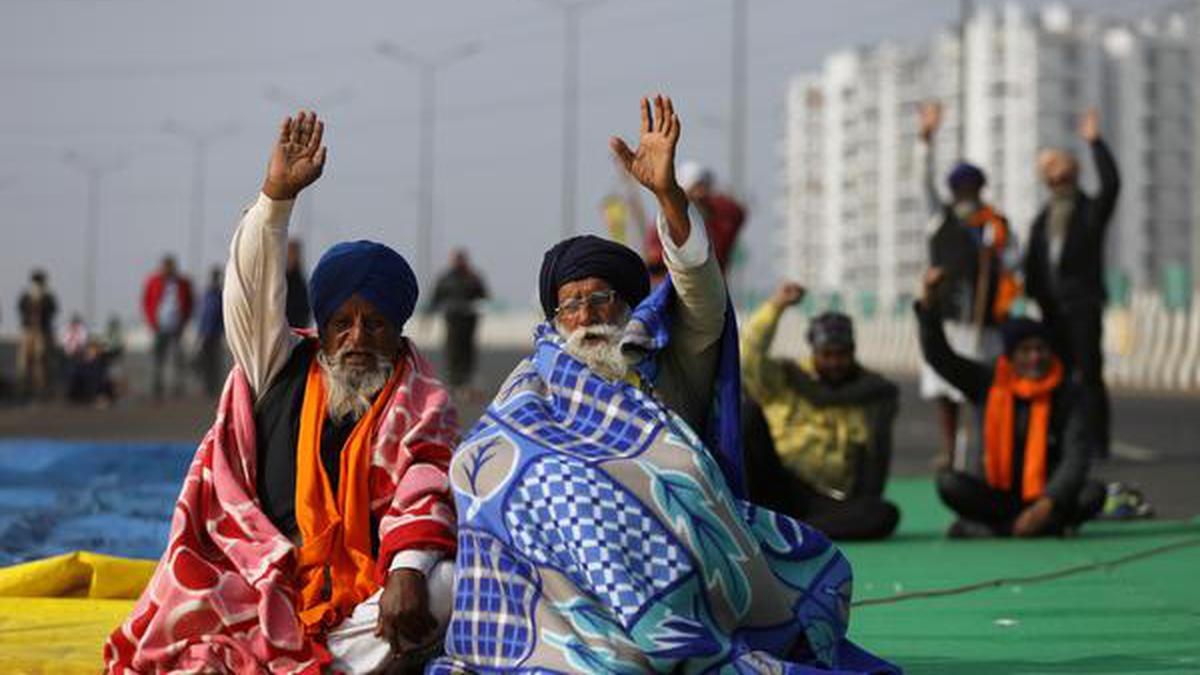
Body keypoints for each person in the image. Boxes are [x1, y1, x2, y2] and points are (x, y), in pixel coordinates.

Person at [431, 96, 895, 674]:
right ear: (553, 318)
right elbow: (494, 457)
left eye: (601, 298)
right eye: (570, 304)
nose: (586, 315)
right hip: (565, 576)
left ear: (630, 306)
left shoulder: (665, 359)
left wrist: (668, 197)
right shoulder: (536, 381)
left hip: (684, 555)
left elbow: (701, 292)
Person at [106, 111, 460, 674]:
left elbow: (426, 486)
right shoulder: (279, 363)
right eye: (342, 322)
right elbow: (248, 295)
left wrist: (406, 571)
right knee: (203, 632)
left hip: (365, 598)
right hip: (258, 580)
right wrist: (276, 201)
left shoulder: (423, 402)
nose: (357, 338)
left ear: (398, 329)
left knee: (447, 587)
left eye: (374, 324)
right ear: (321, 325)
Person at [916, 268, 1105, 538]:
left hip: (1044, 494)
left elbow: (1075, 458)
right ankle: (1024, 528)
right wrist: (929, 303)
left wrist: (1045, 504)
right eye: (1025, 351)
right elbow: (939, 356)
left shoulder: (1067, 392)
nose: (1035, 358)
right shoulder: (987, 380)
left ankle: (994, 529)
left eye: (1041, 349)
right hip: (995, 494)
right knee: (949, 484)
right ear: (1011, 356)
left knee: (1093, 494)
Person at [741, 281, 900, 541]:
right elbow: (748, 355)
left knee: (883, 514)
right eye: (827, 354)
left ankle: (790, 530)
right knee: (747, 414)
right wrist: (776, 306)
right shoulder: (786, 378)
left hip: (826, 499)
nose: (835, 362)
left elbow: (875, 461)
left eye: (842, 354)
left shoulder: (873, 394)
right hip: (777, 485)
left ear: (853, 351)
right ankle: (774, 523)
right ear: (814, 351)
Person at [917, 101, 1021, 468]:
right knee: (945, 388)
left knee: (982, 387)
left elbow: (1014, 262)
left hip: (985, 322)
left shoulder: (996, 225)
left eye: (972, 187)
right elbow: (922, 180)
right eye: (960, 187)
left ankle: (982, 447)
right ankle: (949, 449)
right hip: (948, 317)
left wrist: (996, 259)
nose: (966, 193)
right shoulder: (939, 218)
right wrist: (926, 141)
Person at [1024, 107, 1120, 459]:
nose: (1056, 177)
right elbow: (1032, 265)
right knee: (1055, 375)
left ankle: (1098, 441)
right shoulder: (1041, 221)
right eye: (1050, 172)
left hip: (1082, 305)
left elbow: (1111, 185)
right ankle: (1062, 438)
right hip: (1051, 310)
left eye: (1061, 170)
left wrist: (1095, 142)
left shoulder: (1089, 211)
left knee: (1089, 374)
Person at [643, 159, 745, 283]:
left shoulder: (720, 228)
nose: (701, 194)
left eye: (704, 188)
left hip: (711, 295)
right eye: (696, 188)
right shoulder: (664, 228)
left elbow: (736, 212)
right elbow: (653, 264)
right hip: (674, 294)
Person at [428, 249, 488, 391]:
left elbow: (484, 295)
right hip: (452, 320)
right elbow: (435, 298)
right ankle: (453, 381)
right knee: (452, 350)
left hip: (469, 320)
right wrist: (428, 315)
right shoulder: (445, 279)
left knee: (467, 350)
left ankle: (466, 379)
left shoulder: (473, 277)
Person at [141, 254, 194, 399]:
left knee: (178, 359)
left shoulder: (183, 283)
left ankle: (178, 388)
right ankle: (157, 387)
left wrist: (185, 321)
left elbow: (190, 302)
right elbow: (146, 301)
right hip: (159, 326)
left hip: (177, 326)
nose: (168, 269)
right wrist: (151, 321)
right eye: (166, 266)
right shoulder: (153, 281)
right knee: (158, 359)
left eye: (170, 266)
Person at [15, 269, 58, 400]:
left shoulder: (48, 297)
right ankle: (23, 386)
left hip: (42, 332)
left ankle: (41, 388)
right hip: (28, 330)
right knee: (23, 360)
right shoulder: (26, 296)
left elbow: (53, 311)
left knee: (41, 359)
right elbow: (21, 309)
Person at [194, 266, 226, 397]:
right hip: (207, 333)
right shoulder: (209, 294)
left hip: (215, 333)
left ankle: (213, 386)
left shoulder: (219, 294)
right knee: (207, 362)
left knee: (214, 362)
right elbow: (203, 315)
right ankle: (208, 386)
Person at [286, 238, 312, 328]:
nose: (291, 257)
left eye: (293, 253)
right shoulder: (278, 279)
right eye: (289, 253)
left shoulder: (299, 281)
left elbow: (305, 310)